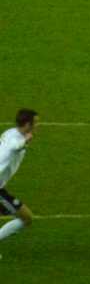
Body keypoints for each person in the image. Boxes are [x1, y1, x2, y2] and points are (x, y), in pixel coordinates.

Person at [0, 109, 38, 257]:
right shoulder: (17, 140)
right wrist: (25, 141)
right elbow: (14, 147)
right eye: (36, 123)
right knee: (26, 218)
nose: (37, 126)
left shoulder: (10, 132)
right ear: (28, 125)